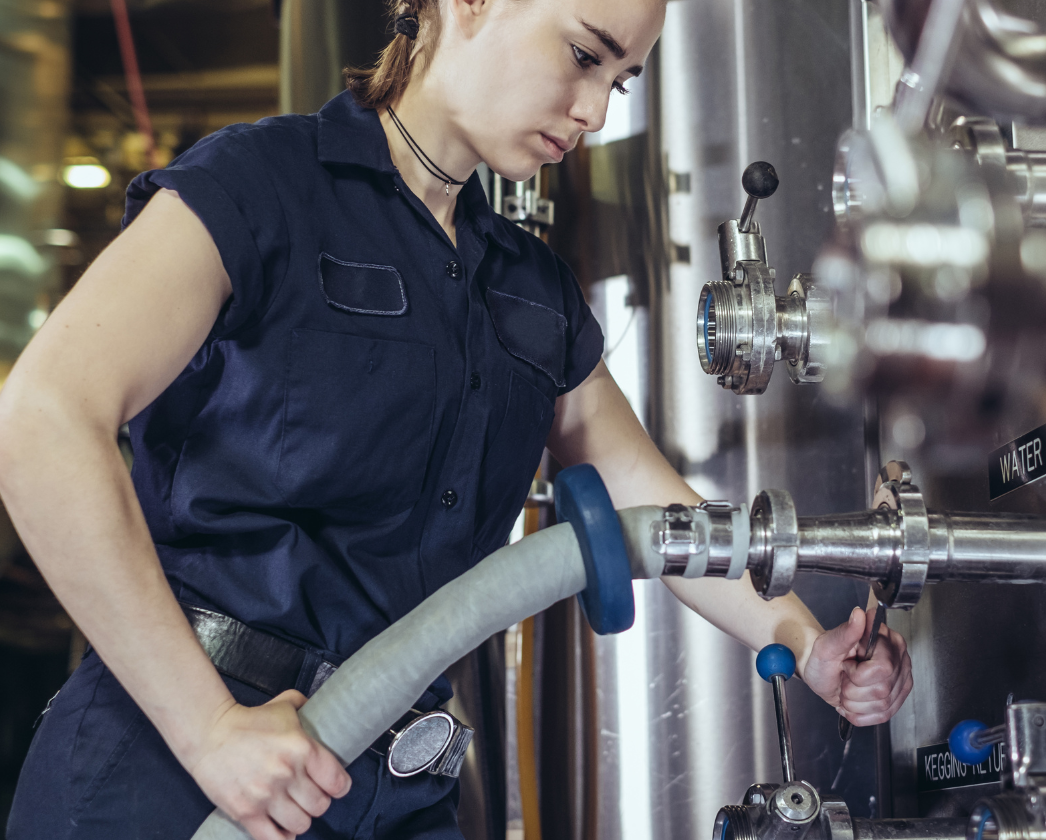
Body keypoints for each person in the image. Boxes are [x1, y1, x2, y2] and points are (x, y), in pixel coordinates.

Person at [0, 0, 912, 837]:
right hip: (175, 772)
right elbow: (41, 417)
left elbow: (658, 518)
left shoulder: (532, 291)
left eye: (620, 80)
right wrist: (209, 730)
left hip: (392, 790)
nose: (594, 111)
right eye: (583, 56)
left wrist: (805, 641)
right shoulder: (260, 184)